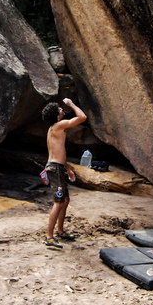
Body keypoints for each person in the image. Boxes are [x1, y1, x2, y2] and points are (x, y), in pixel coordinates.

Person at [42, 98, 87, 249]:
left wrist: (67, 169)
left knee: (65, 200)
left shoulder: (54, 128)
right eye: (60, 109)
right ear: (56, 115)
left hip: (58, 168)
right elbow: (82, 117)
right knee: (58, 202)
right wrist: (72, 104)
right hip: (55, 169)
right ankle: (49, 237)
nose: (63, 110)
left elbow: (59, 152)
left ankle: (60, 231)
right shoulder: (59, 125)